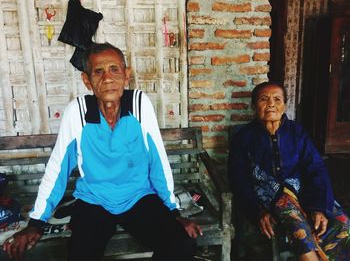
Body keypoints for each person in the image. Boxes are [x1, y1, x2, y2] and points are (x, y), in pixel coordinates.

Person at [3, 43, 202, 261]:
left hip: (138, 197)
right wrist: (36, 223)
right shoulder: (77, 112)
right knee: (81, 254)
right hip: (94, 201)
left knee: (181, 245)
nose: (107, 78)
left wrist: (173, 213)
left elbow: (158, 161)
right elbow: (57, 169)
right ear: (87, 81)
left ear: (126, 76)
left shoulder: (139, 104)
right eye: (98, 71)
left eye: (114, 69)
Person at [228, 81, 350, 261]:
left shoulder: (297, 132)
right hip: (269, 196)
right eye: (264, 99)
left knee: (342, 223)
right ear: (254, 106)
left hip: (303, 191)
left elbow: (316, 169)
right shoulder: (244, 138)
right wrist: (257, 211)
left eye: (277, 99)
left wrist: (318, 207)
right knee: (296, 224)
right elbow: (238, 180)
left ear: (284, 106)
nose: (271, 104)